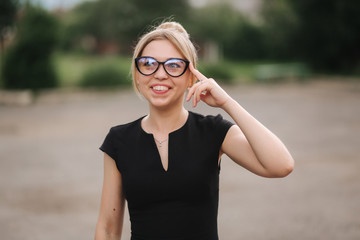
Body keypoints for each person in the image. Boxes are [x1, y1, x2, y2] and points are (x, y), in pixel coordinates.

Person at [94, 21, 294, 240]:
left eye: (173, 65)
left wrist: (227, 102)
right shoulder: (119, 140)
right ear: (138, 73)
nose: (160, 74)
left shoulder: (214, 131)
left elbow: (281, 165)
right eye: (149, 63)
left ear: (191, 76)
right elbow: (108, 229)